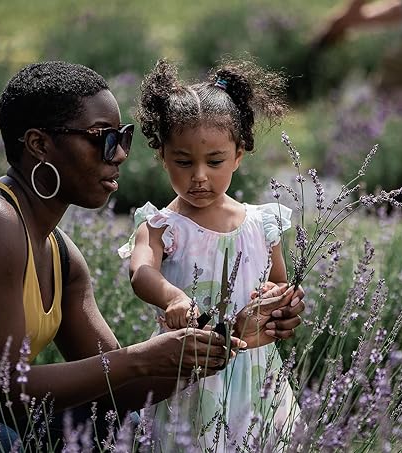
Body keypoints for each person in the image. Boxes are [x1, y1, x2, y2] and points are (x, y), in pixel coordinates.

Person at [0, 61, 305, 451]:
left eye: (124, 137)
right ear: (39, 144)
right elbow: (2, 393)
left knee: (114, 424)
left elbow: (121, 391)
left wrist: (230, 338)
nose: (121, 154)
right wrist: (140, 358)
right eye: (103, 139)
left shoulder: (61, 255)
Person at [118, 58, 303, 451]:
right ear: (162, 156)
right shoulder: (161, 225)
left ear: (239, 155)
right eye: (183, 162)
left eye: (215, 161)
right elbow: (142, 272)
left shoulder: (262, 223)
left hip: (256, 369)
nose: (199, 176)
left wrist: (276, 299)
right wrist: (173, 298)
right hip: (189, 371)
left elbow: (277, 281)